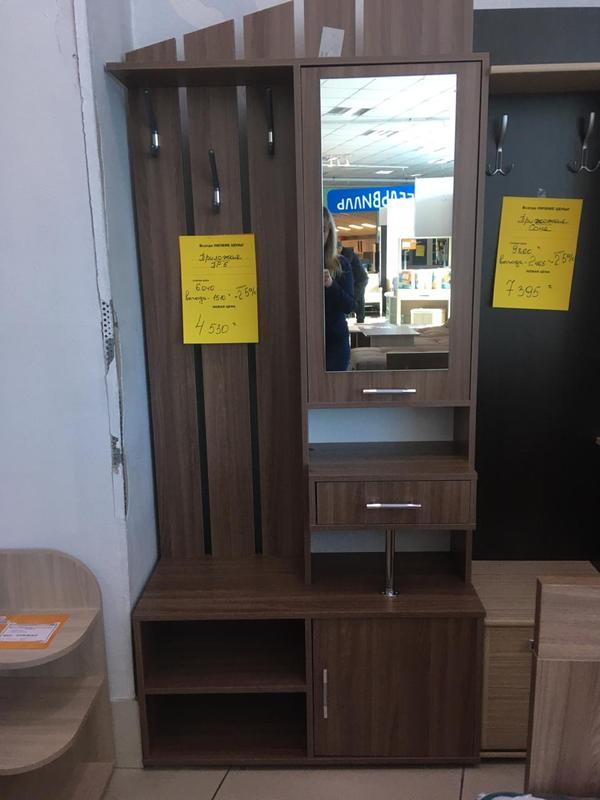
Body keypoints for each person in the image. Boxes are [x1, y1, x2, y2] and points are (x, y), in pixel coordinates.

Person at [323, 207, 354, 371]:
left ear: (329, 233)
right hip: (302, 339)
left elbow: (349, 306)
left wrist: (331, 285)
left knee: (333, 387)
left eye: (323, 230)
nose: (319, 236)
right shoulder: (297, 262)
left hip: (335, 342)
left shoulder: (341, 264)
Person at [338, 242, 369, 323]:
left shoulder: (347, 252)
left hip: (361, 279)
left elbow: (345, 264)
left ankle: (359, 317)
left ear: (340, 248)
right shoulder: (345, 253)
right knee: (360, 298)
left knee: (355, 297)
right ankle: (360, 318)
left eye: (337, 250)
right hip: (359, 279)